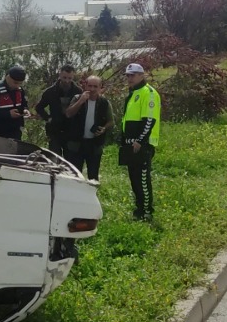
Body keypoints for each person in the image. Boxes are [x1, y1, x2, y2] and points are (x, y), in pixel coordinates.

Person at [118, 63, 161, 220]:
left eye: (133, 75)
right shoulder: (133, 93)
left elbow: (149, 120)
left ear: (142, 75)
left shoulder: (148, 93)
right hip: (130, 144)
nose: (130, 78)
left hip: (142, 145)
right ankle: (139, 210)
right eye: (128, 75)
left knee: (143, 180)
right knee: (134, 180)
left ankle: (147, 212)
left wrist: (140, 141)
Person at [62, 74, 113, 179]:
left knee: (93, 176)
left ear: (100, 88)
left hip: (94, 145)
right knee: (75, 175)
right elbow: (68, 114)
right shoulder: (77, 98)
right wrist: (81, 101)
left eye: (95, 86)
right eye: (90, 86)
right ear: (85, 86)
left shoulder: (104, 102)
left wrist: (103, 129)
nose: (92, 89)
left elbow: (111, 122)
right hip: (77, 144)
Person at [35, 65, 82, 153]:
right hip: (54, 130)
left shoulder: (78, 91)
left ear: (73, 77)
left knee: (71, 159)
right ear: (59, 75)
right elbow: (39, 107)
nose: (67, 81)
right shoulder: (50, 92)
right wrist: (48, 118)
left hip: (72, 130)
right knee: (55, 158)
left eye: (70, 78)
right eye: (64, 77)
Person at [0, 65, 31, 140]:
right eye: (15, 82)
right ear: (8, 77)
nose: (17, 86)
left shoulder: (20, 91)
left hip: (15, 132)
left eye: (20, 83)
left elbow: (24, 105)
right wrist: (8, 114)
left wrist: (24, 110)